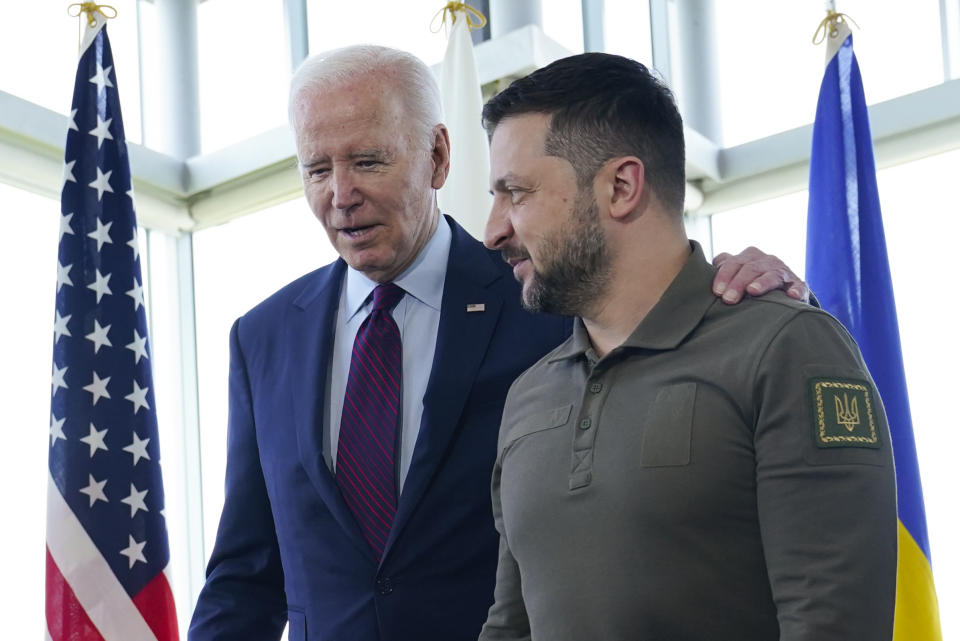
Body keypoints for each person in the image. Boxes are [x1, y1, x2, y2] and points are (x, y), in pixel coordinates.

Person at [188, 45, 811, 641]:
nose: (340, 194)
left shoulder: (548, 295)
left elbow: (660, 304)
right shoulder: (263, 337)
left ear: (437, 156)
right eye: (317, 170)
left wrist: (745, 284)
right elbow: (246, 572)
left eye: (369, 161)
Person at [478, 52, 897, 641]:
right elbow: (510, 625)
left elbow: (835, 624)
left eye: (515, 193)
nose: (492, 229)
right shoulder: (528, 393)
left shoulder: (785, 348)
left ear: (621, 186)